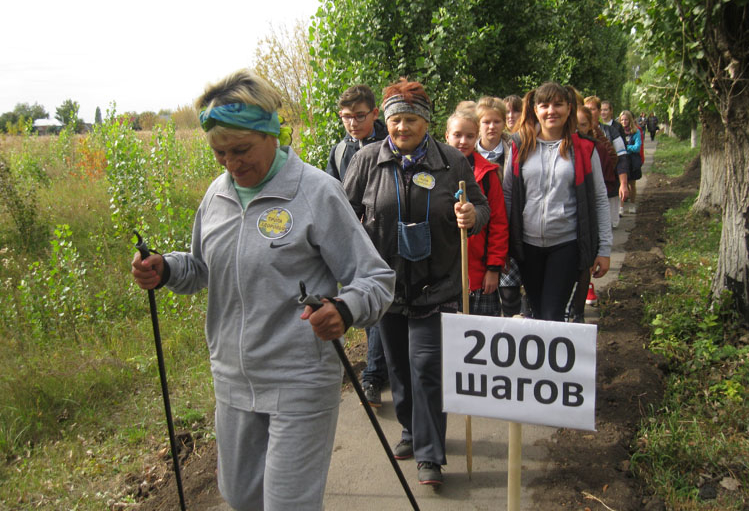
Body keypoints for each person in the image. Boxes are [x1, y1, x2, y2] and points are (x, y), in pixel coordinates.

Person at [131, 69, 395, 511]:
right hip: (233, 381)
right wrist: (166, 268)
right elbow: (200, 268)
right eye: (219, 154)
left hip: (299, 380)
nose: (232, 163)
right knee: (240, 496)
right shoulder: (217, 196)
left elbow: (376, 279)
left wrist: (345, 309)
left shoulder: (315, 192)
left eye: (241, 150)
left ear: (271, 134)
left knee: (287, 504)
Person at [343, 78, 489, 487]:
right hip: (386, 287)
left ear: (425, 123)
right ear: (385, 122)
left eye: (410, 120)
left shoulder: (451, 162)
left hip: (436, 286)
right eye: (395, 120)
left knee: (426, 367)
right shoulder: (368, 161)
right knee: (399, 370)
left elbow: (481, 205)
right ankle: (410, 430)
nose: (401, 128)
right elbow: (342, 211)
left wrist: (472, 217)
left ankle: (430, 455)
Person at [504, 82, 612, 322]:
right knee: (537, 312)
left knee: (552, 314)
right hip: (527, 246)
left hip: (566, 244)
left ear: (569, 108)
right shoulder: (519, 146)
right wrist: (502, 247)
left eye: (558, 105)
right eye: (544, 105)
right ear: (534, 110)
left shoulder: (585, 148)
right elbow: (507, 196)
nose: (551, 111)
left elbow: (600, 200)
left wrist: (604, 249)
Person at [325, 84, 389, 408]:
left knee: (382, 305)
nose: (352, 123)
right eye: (346, 117)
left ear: (375, 114)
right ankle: (381, 369)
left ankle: (374, 376)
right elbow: (330, 193)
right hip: (354, 242)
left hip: (386, 238)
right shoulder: (339, 151)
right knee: (369, 308)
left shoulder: (391, 144)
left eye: (359, 116)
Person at [445, 105, 508, 316]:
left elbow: (498, 222)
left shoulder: (488, 174)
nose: (463, 141)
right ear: (447, 136)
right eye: (457, 135)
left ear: (477, 138)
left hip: (478, 274)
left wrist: (493, 268)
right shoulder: (432, 172)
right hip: (442, 276)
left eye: (470, 136)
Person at [570, 105, 616, 322]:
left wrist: (604, 247)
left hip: (583, 234)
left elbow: (600, 198)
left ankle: (577, 312)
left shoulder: (592, 150)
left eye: (582, 125)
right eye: (573, 124)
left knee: (581, 273)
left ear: (591, 127)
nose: (577, 129)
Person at [481, 95, 526, 317]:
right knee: (483, 292)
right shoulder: (467, 153)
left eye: (496, 121)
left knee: (509, 293)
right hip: (479, 235)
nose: (491, 127)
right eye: (486, 122)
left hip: (509, 229)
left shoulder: (516, 148)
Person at [586, 95, 629, 229]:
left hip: (608, 185)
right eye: (585, 109)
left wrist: (623, 184)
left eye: (592, 109)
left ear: (598, 111)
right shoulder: (576, 133)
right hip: (587, 186)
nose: (589, 112)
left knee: (607, 225)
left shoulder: (611, 132)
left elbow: (622, 158)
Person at [619, 109, 643, 215]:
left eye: (626, 120)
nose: (624, 122)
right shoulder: (619, 131)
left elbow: (637, 147)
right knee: (622, 183)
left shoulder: (636, 132)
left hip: (632, 160)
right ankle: (621, 207)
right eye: (622, 120)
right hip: (623, 160)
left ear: (630, 120)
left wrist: (626, 147)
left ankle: (632, 205)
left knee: (632, 184)